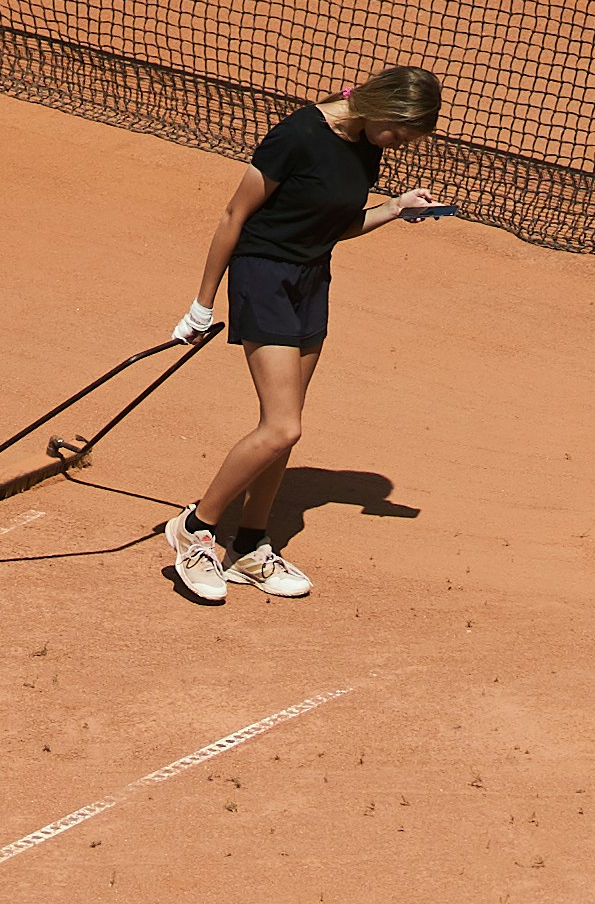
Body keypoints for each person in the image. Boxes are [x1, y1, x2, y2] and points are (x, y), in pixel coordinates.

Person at [166, 66, 451, 601]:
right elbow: (234, 216)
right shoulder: (296, 136)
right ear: (381, 108)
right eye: (399, 134)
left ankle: (248, 547)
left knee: (284, 426)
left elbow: (330, 226)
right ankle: (195, 528)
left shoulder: (367, 143)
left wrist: (393, 209)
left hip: (310, 281)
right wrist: (202, 303)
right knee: (283, 428)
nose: (397, 144)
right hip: (263, 276)